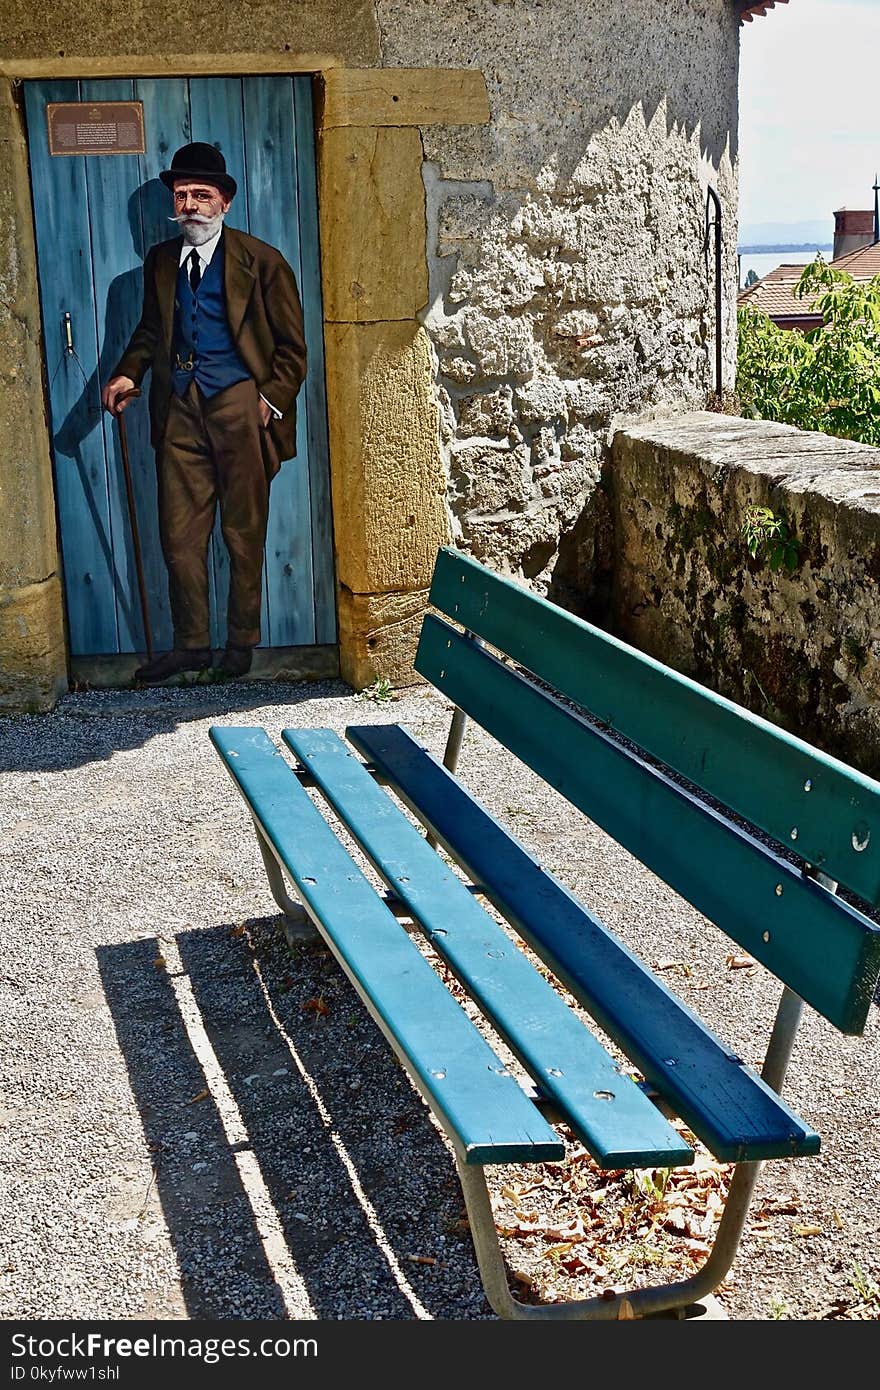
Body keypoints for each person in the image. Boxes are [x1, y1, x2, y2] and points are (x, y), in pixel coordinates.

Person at [102, 141, 307, 682]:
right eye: (182, 195)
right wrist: (129, 372)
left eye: (202, 195)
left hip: (241, 407)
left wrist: (266, 403)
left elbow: (292, 349)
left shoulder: (262, 261)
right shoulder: (162, 262)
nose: (190, 204)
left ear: (224, 203)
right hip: (180, 410)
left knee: (243, 532)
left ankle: (240, 644)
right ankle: (191, 646)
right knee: (180, 534)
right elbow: (151, 330)